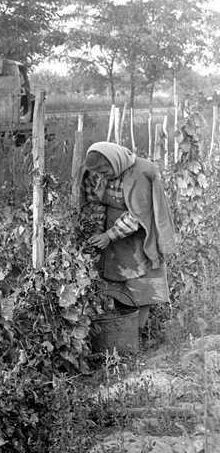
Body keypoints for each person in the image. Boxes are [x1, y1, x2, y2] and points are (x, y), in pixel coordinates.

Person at [81, 141, 176, 331]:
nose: (103, 177)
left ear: (114, 162)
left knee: (142, 287)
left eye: (105, 172)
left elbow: (137, 214)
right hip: (114, 237)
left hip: (139, 236)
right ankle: (124, 331)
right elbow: (95, 202)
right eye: (100, 173)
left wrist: (109, 235)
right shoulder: (97, 175)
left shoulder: (140, 172)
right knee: (117, 285)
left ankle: (137, 333)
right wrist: (98, 229)